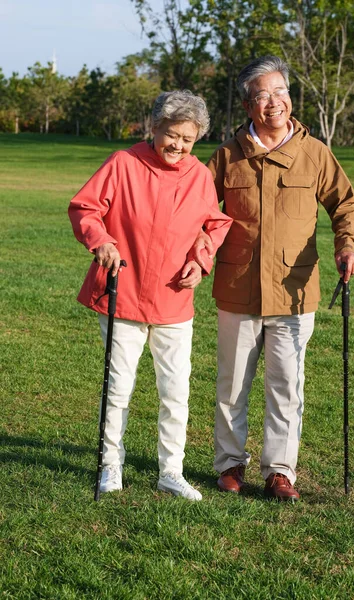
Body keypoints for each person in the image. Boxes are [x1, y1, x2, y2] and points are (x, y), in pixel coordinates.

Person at [196, 55, 354, 501]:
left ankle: (279, 471)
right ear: (248, 106)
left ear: (290, 98)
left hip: (295, 291)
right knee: (232, 383)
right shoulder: (226, 156)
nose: (274, 103)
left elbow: (345, 205)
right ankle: (230, 464)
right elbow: (198, 212)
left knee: (286, 384)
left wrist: (347, 245)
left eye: (281, 93)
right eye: (263, 96)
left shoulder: (314, 153)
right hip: (237, 289)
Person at [68, 90, 232, 501]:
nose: (178, 145)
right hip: (122, 293)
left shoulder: (198, 176)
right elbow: (85, 208)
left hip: (174, 300)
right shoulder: (123, 163)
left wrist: (201, 260)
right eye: (171, 135)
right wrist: (100, 240)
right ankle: (110, 465)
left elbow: (214, 224)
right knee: (118, 387)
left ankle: (170, 471)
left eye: (187, 139)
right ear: (154, 127)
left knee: (175, 391)